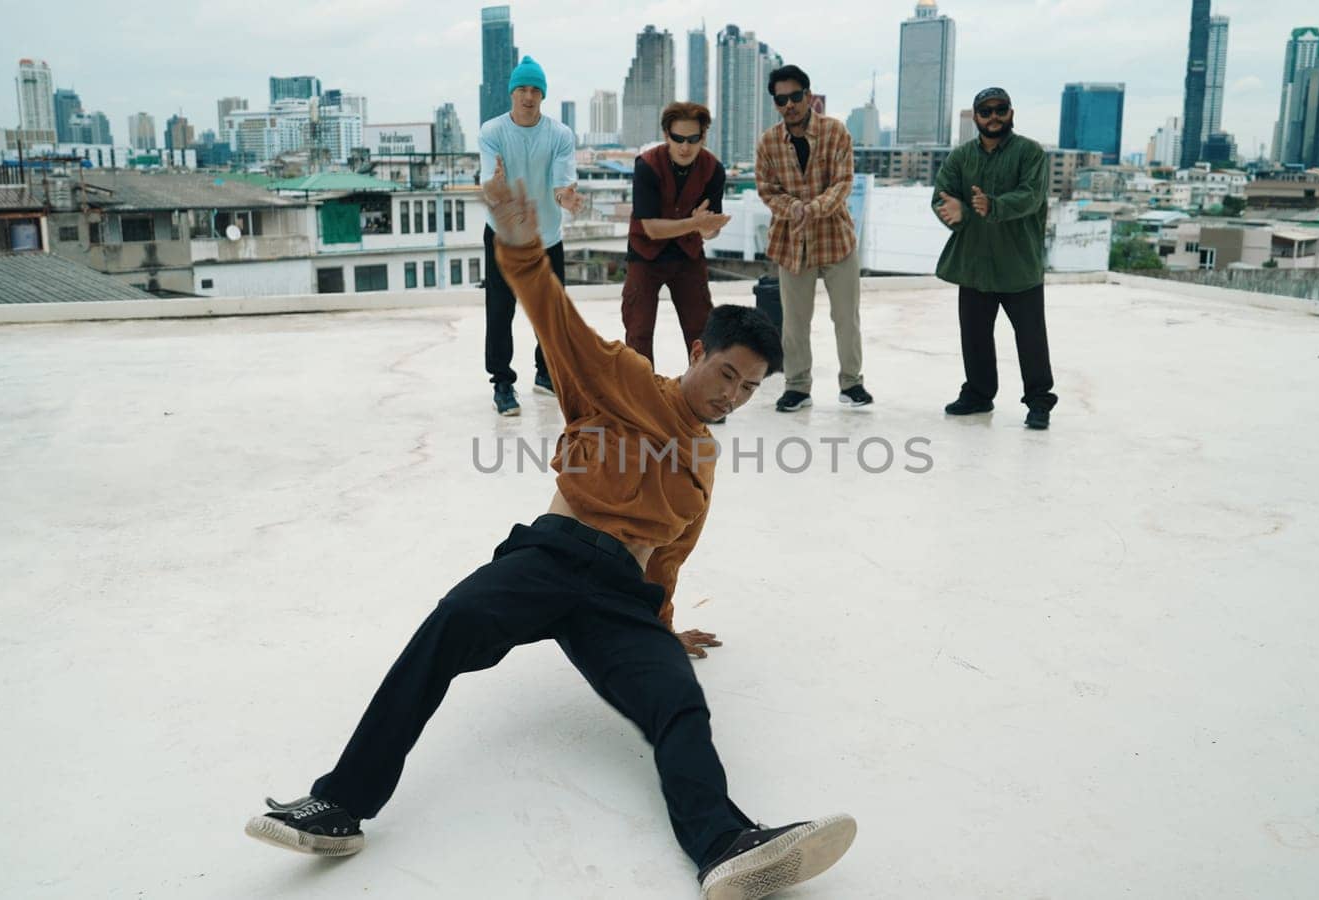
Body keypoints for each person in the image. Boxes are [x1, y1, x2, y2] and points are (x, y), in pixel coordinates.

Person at [244, 160, 858, 900]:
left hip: (620, 601)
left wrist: (664, 628)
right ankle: (341, 805)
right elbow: (550, 312)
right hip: (552, 555)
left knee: (678, 702)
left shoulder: (703, 458)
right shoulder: (622, 378)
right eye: (727, 374)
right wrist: (521, 245)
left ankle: (725, 844)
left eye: (749, 389)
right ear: (698, 352)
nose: (732, 397)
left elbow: (669, 557)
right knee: (448, 626)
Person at [932, 87, 1057, 430]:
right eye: (985, 112)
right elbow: (941, 197)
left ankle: (1039, 402)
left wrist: (994, 205)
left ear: (1011, 113)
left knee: (1030, 338)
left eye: (1000, 109)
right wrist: (953, 213)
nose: (993, 117)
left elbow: (1031, 197)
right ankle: (978, 394)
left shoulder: (1029, 153)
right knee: (974, 336)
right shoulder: (960, 158)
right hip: (974, 264)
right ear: (975, 118)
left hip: (1018, 264)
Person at [754, 64, 872, 412]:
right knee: (795, 321)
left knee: (846, 317)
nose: (788, 105)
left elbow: (843, 182)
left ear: (808, 96)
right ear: (774, 102)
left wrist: (814, 208)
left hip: (836, 239)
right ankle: (797, 387)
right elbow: (766, 189)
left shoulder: (836, 132)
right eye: (780, 99)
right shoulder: (768, 142)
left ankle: (852, 383)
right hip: (792, 243)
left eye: (794, 96)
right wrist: (793, 208)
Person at [478, 55, 585, 416]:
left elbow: (561, 181)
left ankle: (545, 373)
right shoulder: (492, 132)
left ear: (543, 95)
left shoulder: (559, 135)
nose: (529, 96)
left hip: (547, 237)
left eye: (535, 90)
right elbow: (491, 181)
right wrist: (493, 186)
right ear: (512, 93)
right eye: (522, 89)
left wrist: (565, 196)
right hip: (504, 235)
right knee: (500, 310)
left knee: (550, 312)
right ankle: (503, 383)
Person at [623, 102, 729, 369]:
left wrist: (709, 228)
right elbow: (651, 228)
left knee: (702, 330)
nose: (685, 147)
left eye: (693, 139)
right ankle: (641, 399)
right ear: (666, 135)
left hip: (688, 254)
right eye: (678, 138)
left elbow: (710, 229)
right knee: (638, 331)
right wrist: (695, 223)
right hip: (645, 254)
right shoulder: (647, 165)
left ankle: (705, 397)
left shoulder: (713, 169)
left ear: (703, 136)